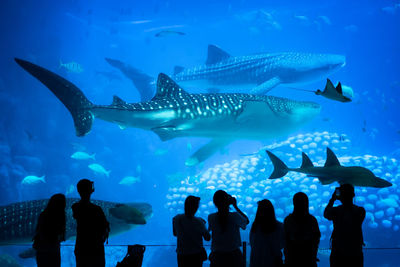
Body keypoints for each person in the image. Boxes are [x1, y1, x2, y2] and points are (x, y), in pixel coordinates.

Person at [324, 184, 365, 267]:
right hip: (355, 251)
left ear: (340, 196)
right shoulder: (360, 211)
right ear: (353, 195)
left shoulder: (336, 211)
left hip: (338, 252)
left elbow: (326, 214)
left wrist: (332, 199)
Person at [72, 179, 110, 267]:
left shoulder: (75, 207)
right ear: (91, 190)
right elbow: (105, 227)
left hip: (81, 246)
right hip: (95, 248)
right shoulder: (97, 209)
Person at [208, 190, 249, 267]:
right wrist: (235, 206)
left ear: (215, 203)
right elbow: (246, 221)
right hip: (233, 256)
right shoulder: (234, 216)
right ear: (228, 202)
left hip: (217, 256)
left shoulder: (211, 217)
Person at [284, 192, 320, 267]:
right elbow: (316, 239)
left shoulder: (288, 220)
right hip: (309, 260)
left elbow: (285, 240)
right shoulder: (312, 220)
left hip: (292, 260)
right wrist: (313, 255)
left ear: (294, 203)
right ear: (307, 203)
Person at [173, 195, 211, 267]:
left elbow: (175, 234)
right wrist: (206, 226)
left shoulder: (176, 218)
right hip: (196, 255)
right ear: (196, 207)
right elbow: (207, 238)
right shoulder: (199, 221)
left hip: (182, 254)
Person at [33, 193, 66, 267]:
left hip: (42, 249)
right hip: (53, 250)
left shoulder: (43, 214)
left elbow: (39, 232)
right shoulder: (60, 218)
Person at [249, 199, 284, 267]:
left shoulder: (255, 226)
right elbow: (282, 244)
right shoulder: (279, 226)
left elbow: (252, 242)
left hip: (256, 261)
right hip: (273, 261)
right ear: (272, 210)